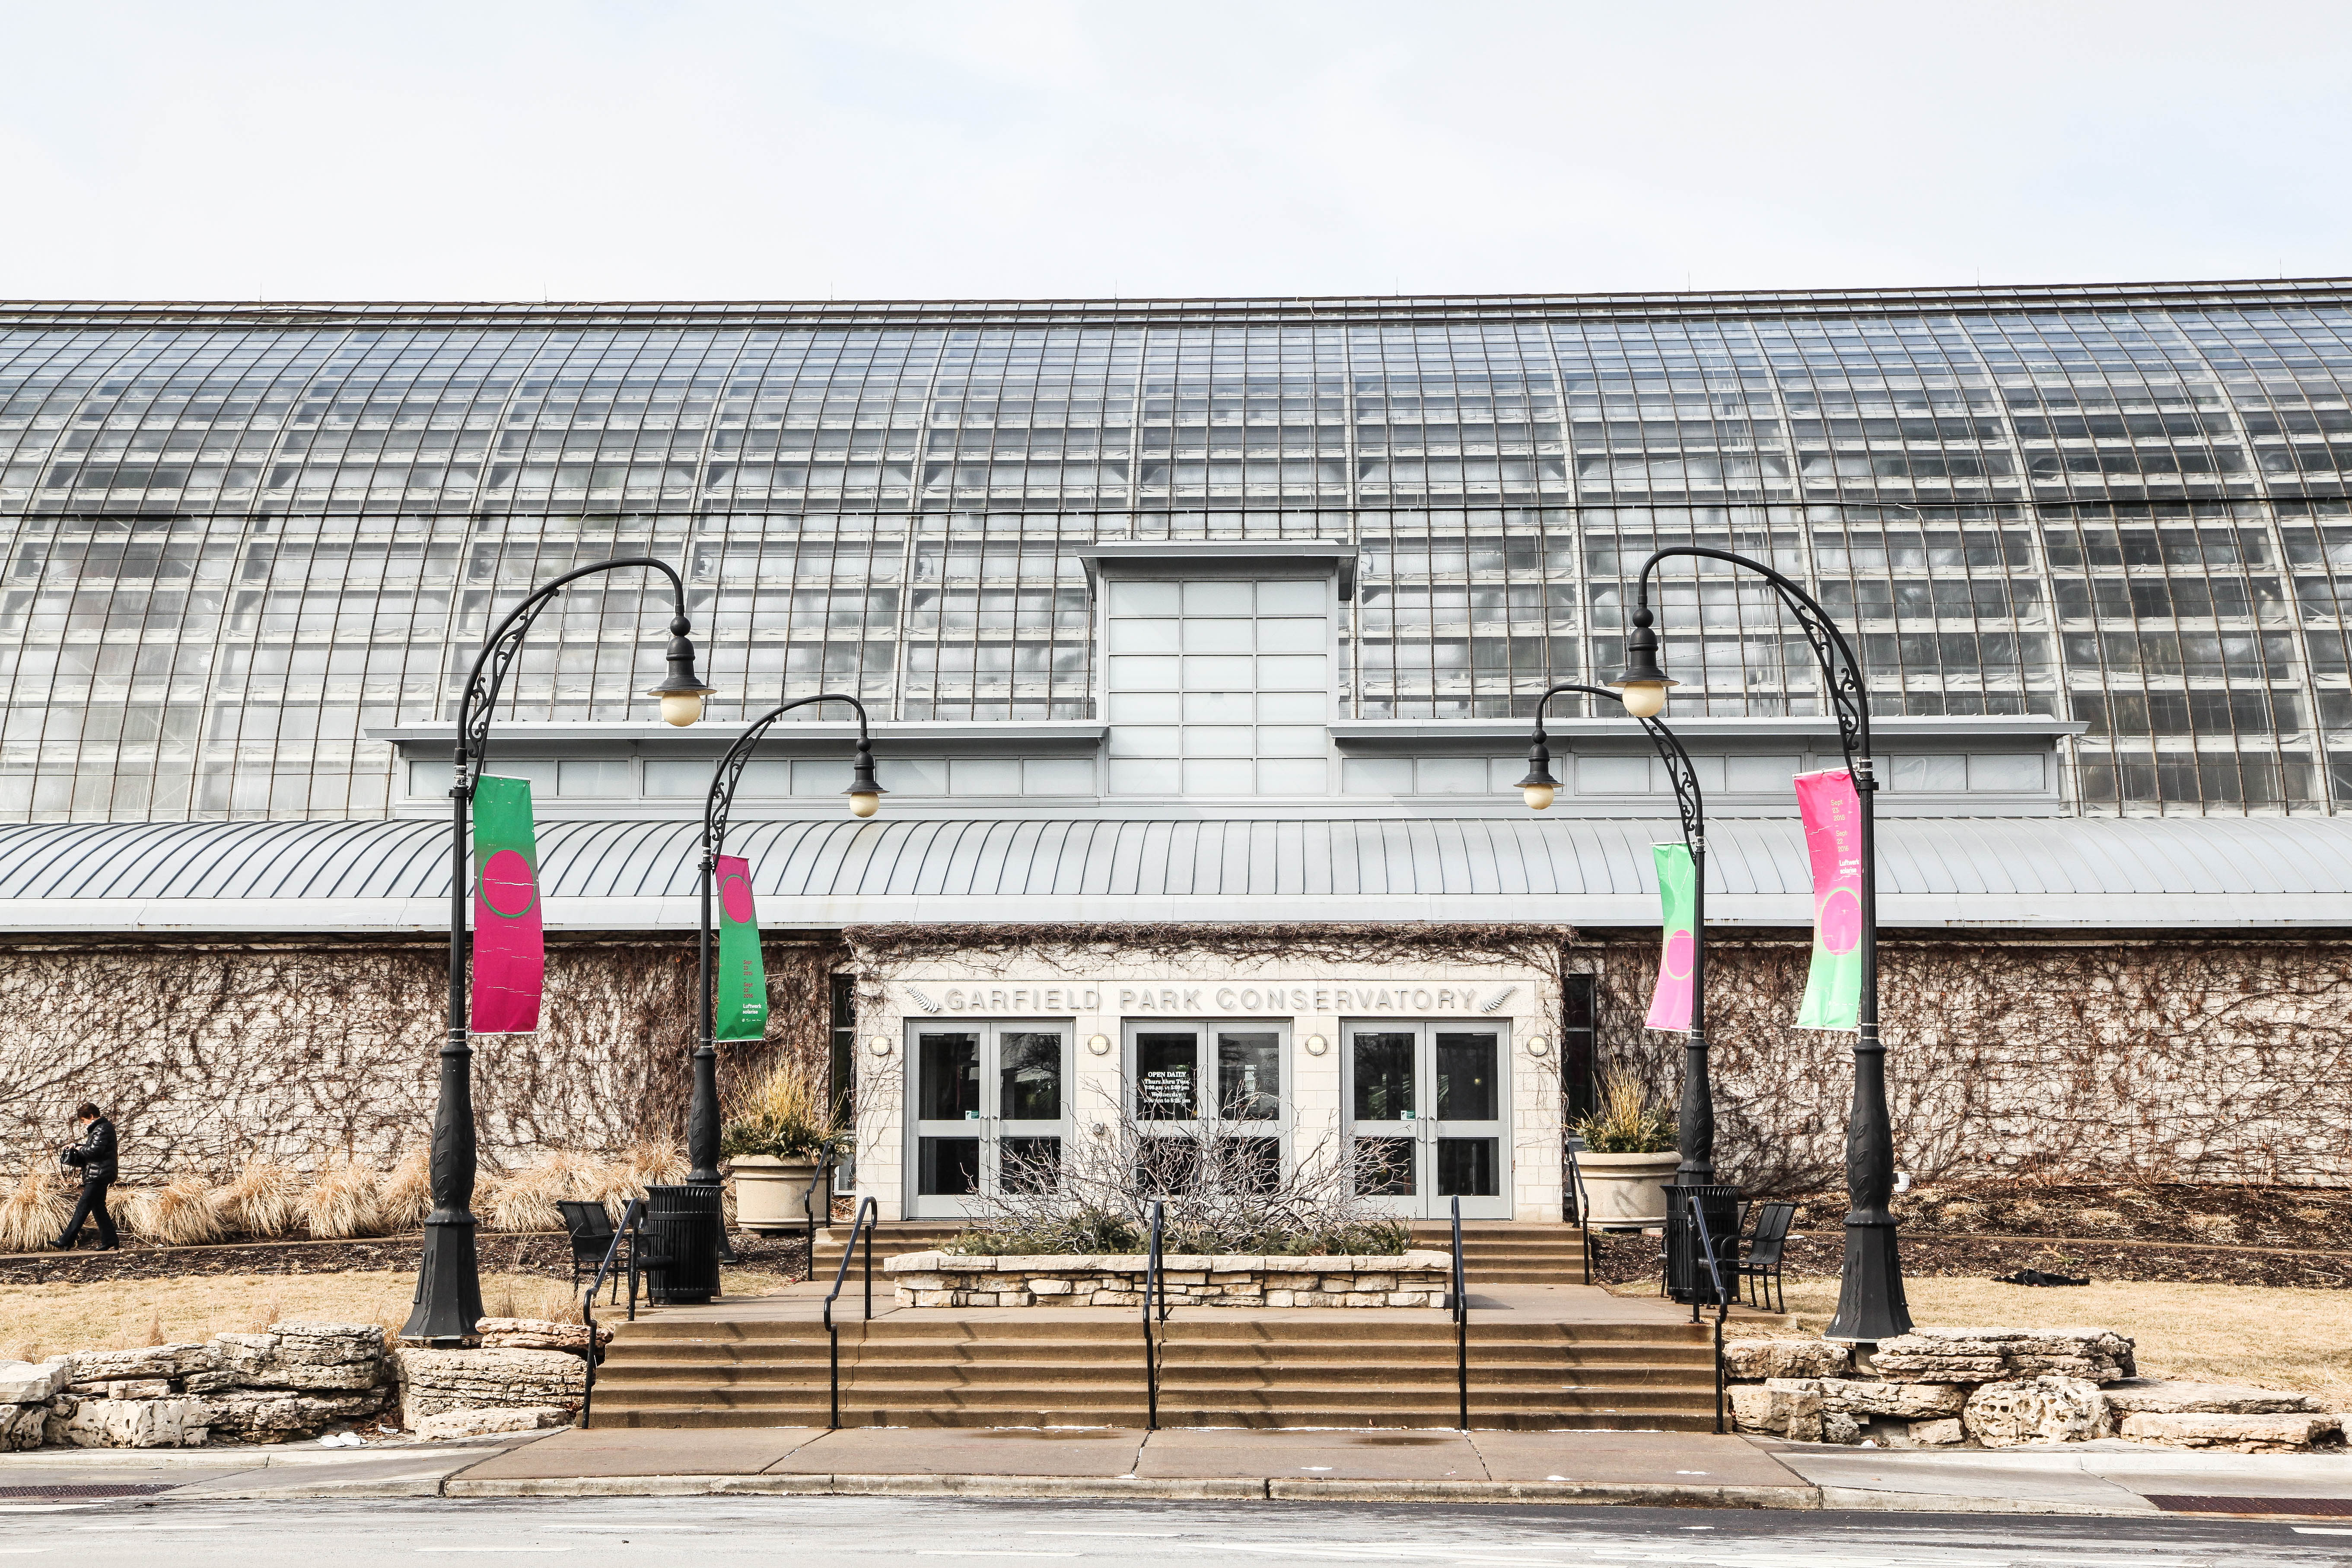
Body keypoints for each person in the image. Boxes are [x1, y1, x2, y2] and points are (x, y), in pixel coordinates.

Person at [56, 1102, 117, 1251]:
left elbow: (95, 1151)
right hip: (100, 1173)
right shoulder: (101, 1128)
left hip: (99, 1175)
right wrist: (77, 1145)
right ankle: (110, 1239)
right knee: (98, 1208)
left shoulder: (102, 1128)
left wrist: (79, 1149)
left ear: (91, 1116)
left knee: (83, 1208)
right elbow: (95, 1148)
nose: (83, 1124)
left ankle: (66, 1240)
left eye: (84, 1120)